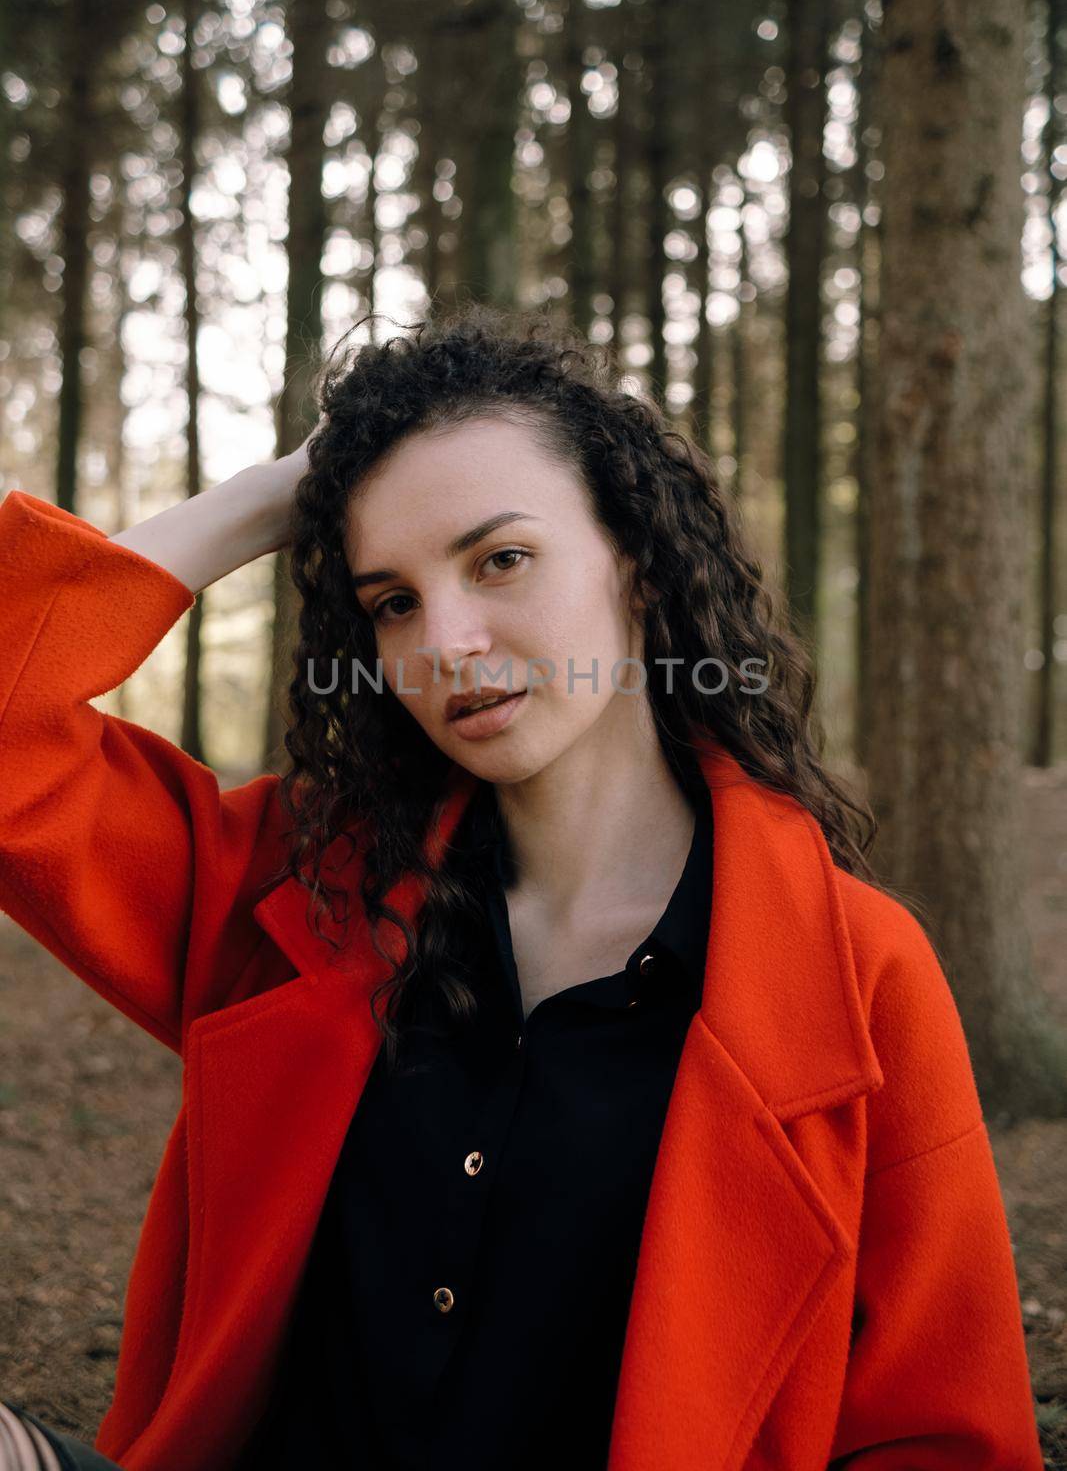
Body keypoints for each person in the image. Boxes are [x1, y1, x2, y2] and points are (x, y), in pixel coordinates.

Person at [0, 303, 1044, 1470]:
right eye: (391, 600)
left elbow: (944, 1439)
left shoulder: (856, 970)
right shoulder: (299, 895)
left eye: (499, 559)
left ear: (637, 566)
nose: (444, 639)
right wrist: (269, 496)